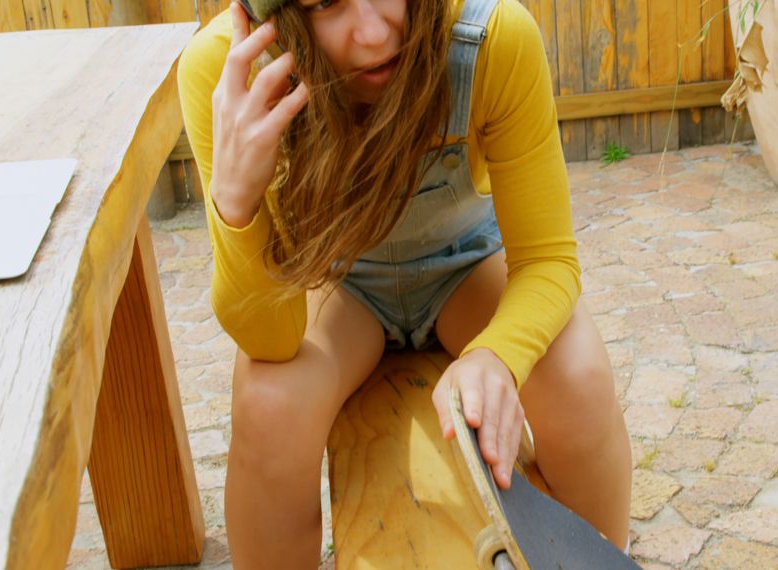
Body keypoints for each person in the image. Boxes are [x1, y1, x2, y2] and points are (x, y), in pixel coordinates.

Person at [177, 0, 632, 565]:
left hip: (466, 268)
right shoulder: (225, 73)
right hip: (337, 286)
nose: (372, 34)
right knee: (269, 406)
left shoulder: (493, 39)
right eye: (325, 4)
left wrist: (498, 355)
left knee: (578, 378)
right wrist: (237, 205)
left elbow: (548, 261)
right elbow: (267, 337)